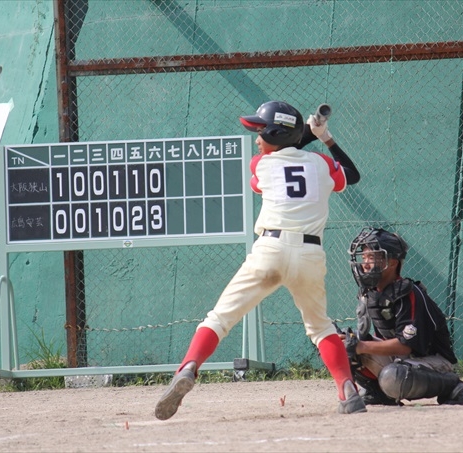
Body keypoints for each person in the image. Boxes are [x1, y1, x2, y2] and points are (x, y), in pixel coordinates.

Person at [154, 100, 365, 420]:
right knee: (321, 327)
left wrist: (306, 134)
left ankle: (188, 368)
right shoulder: (322, 164)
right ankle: (347, 388)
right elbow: (351, 174)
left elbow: (285, 155)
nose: (257, 139)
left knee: (219, 318)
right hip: (309, 255)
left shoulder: (261, 166)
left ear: (276, 135)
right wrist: (324, 137)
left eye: (261, 132)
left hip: (270, 250)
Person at [340, 227, 463, 406]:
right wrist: (348, 342)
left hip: (432, 360)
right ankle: (377, 392)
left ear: (392, 263)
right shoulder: (370, 293)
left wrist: (361, 346)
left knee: (393, 377)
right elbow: (375, 340)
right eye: (364, 257)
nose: (365, 264)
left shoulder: (408, 293)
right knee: (340, 344)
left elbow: (405, 346)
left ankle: (452, 386)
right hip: (399, 359)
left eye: (372, 258)